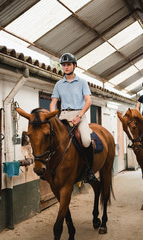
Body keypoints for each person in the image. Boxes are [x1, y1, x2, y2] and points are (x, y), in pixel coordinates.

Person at [50, 53, 97, 183]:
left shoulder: (82, 82)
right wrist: (52, 117)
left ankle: (89, 171)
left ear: (74, 66)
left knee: (86, 140)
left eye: (68, 64)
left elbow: (88, 101)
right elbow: (53, 103)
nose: (66, 67)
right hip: (64, 115)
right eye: (64, 65)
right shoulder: (59, 84)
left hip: (79, 114)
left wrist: (79, 116)